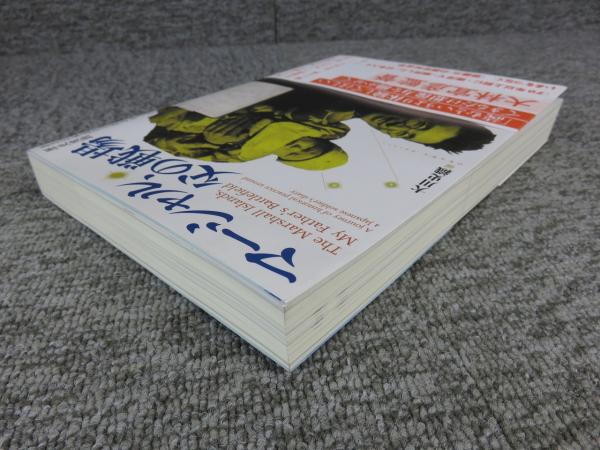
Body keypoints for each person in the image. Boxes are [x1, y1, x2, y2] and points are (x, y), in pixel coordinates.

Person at [143, 89, 495, 171]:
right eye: (421, 123)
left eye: (408, 135)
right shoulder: (335, 110)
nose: (399, 128)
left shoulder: (331, 127)